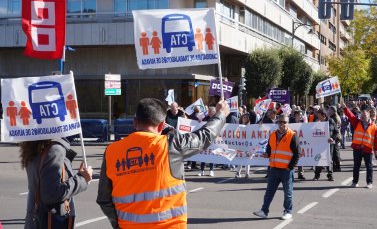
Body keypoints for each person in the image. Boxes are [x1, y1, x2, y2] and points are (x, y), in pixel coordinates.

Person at [97, 98, 229, 228]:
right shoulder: (170, 144)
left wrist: (119, 225)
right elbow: (204, 136)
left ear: (134, 122)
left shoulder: (111, 151)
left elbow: (104, 200)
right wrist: (221, 114)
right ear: (161, 125)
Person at [21, 138, 93, 229]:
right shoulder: (54, 149)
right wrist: (82, 179)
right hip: (50, 221)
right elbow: (51, 193)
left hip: (35, 220)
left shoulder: (35, 144)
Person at [253, 114, 300, 220]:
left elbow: (297, 153)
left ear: (288, 124)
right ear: (277, 123)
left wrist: (290, 167)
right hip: (274, 168)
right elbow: (269, 149)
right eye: (280, 122)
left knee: (288, 193)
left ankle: (288, 211)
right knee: (269, 192)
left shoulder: (292, 136)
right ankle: (264, 211)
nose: (282, 125)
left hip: (286, 170)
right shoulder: (273, 135)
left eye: (284, 122)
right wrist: (267, 154)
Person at [343, 103, 377, 189]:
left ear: (369, 114)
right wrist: (345, 108)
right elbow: (351, 116)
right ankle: (355, 182)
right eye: (362, 115)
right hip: (357, 148)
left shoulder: (374, 126)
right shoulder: (357, 122)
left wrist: (376, 149)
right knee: (356, 166)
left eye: (364, 115)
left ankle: (369, 182)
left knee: (369, 166)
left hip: (368, 148)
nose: (363, 116)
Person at [313, 109, 338, 181]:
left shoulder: (331, 121)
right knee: (319, 158)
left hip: (329, 144)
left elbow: (336, 132)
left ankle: (330, 175)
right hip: (319, 144)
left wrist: (332, 138)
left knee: (329, 159)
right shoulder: (316, 122)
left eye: (319, 115)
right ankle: (317, 175)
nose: (317, 116)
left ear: (323, 115)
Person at [235, 113, 251, 178]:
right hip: (240, 144)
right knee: (240, 158)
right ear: (241, 118)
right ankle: (238, 172)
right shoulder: (238, 126)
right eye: (244, 117)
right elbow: (236, 134)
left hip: (248, 144)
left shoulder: (251, 126)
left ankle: (247, 173)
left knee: (247, 158)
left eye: (246, 117)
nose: (245, 119)